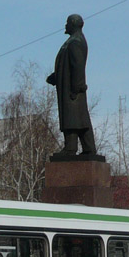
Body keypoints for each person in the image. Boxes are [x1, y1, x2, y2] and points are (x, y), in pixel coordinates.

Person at [47, 13, 98, 158]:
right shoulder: (73, 41)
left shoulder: (75, 42)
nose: (65, 25)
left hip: (72, 89)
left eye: (67, 23)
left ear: (73, 24)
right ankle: (89, 148)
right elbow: (67, 66)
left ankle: (70, 148)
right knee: (80, 118)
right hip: (69, 86)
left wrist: (77, 87)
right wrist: (55, 77)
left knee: (72, 118)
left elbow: (77, 66)